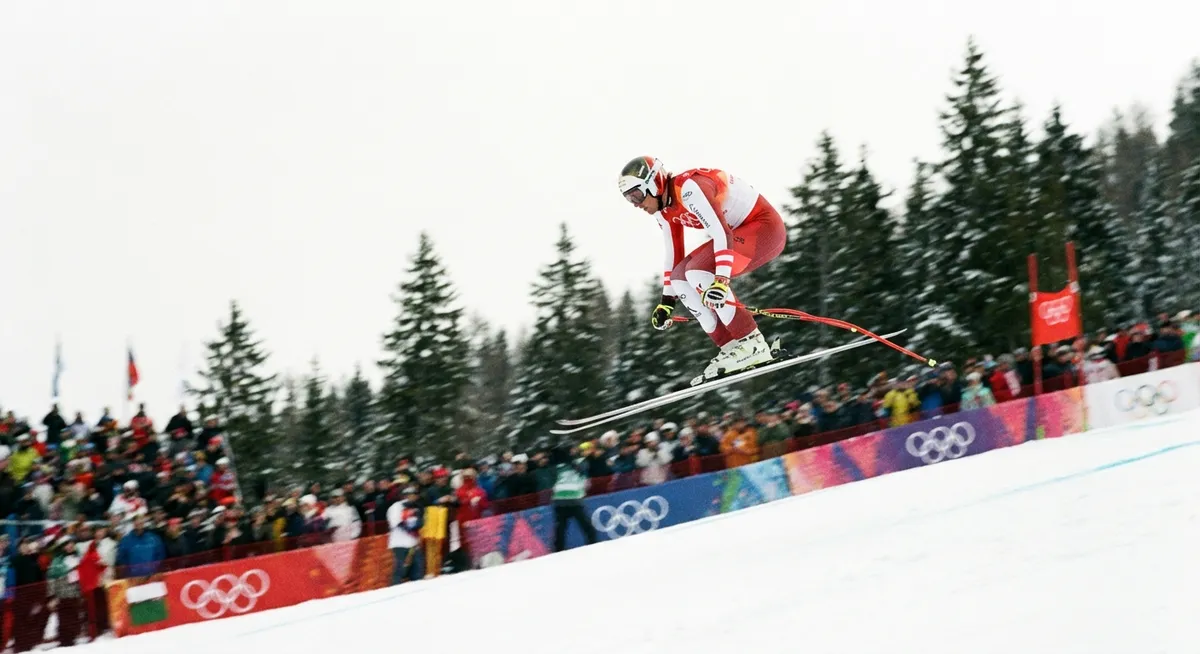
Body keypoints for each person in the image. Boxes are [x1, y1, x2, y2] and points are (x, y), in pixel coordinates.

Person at [618, 156, 787, 385]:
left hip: (765, 229)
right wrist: (667, 301)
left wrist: (721, 280)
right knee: (680, 277)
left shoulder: (688, 188)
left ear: (653, 183)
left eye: (636, 195)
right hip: (739, 233)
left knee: (697, 271)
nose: (636, 204)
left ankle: (752, 342)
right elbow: (673, 254)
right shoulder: (663, 210)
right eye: (629, 199)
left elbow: (721, 233)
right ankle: (731, 346)